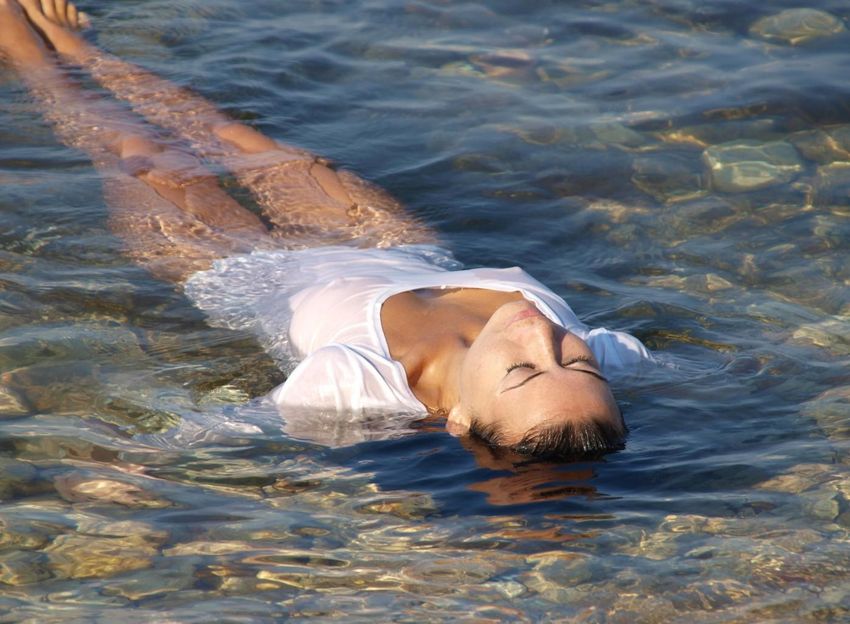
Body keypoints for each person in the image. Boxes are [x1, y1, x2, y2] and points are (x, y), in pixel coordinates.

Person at [0, 0, 654, 458]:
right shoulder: (608, 352)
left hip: (236, 267)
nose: (544, 335)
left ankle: (23, 47)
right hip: (392, 245)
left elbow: (226, 427)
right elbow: (727, 370)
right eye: (576, 363)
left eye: (522, 372)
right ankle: (79, 48)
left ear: (459, 420)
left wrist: (126, 459)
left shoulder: (357, 387)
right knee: (227, 134)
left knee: (130, 146)